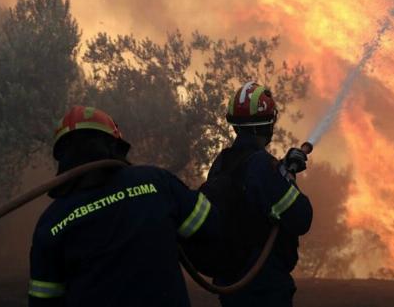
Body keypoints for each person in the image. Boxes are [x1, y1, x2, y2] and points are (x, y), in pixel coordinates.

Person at [28, 105, 220, 307]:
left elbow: (43, 302)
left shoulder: (51, 223)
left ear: (63, 156)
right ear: (114, 145)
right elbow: (211, 227)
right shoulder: (156, 182)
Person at [202, 81, 312, 307]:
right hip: (264, 285)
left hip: (232, 282)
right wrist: (286, 176)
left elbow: (254, 193)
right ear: (268, 125)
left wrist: (283, 168)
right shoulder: (262, 165)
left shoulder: (221, 163)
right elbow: (301, 217)